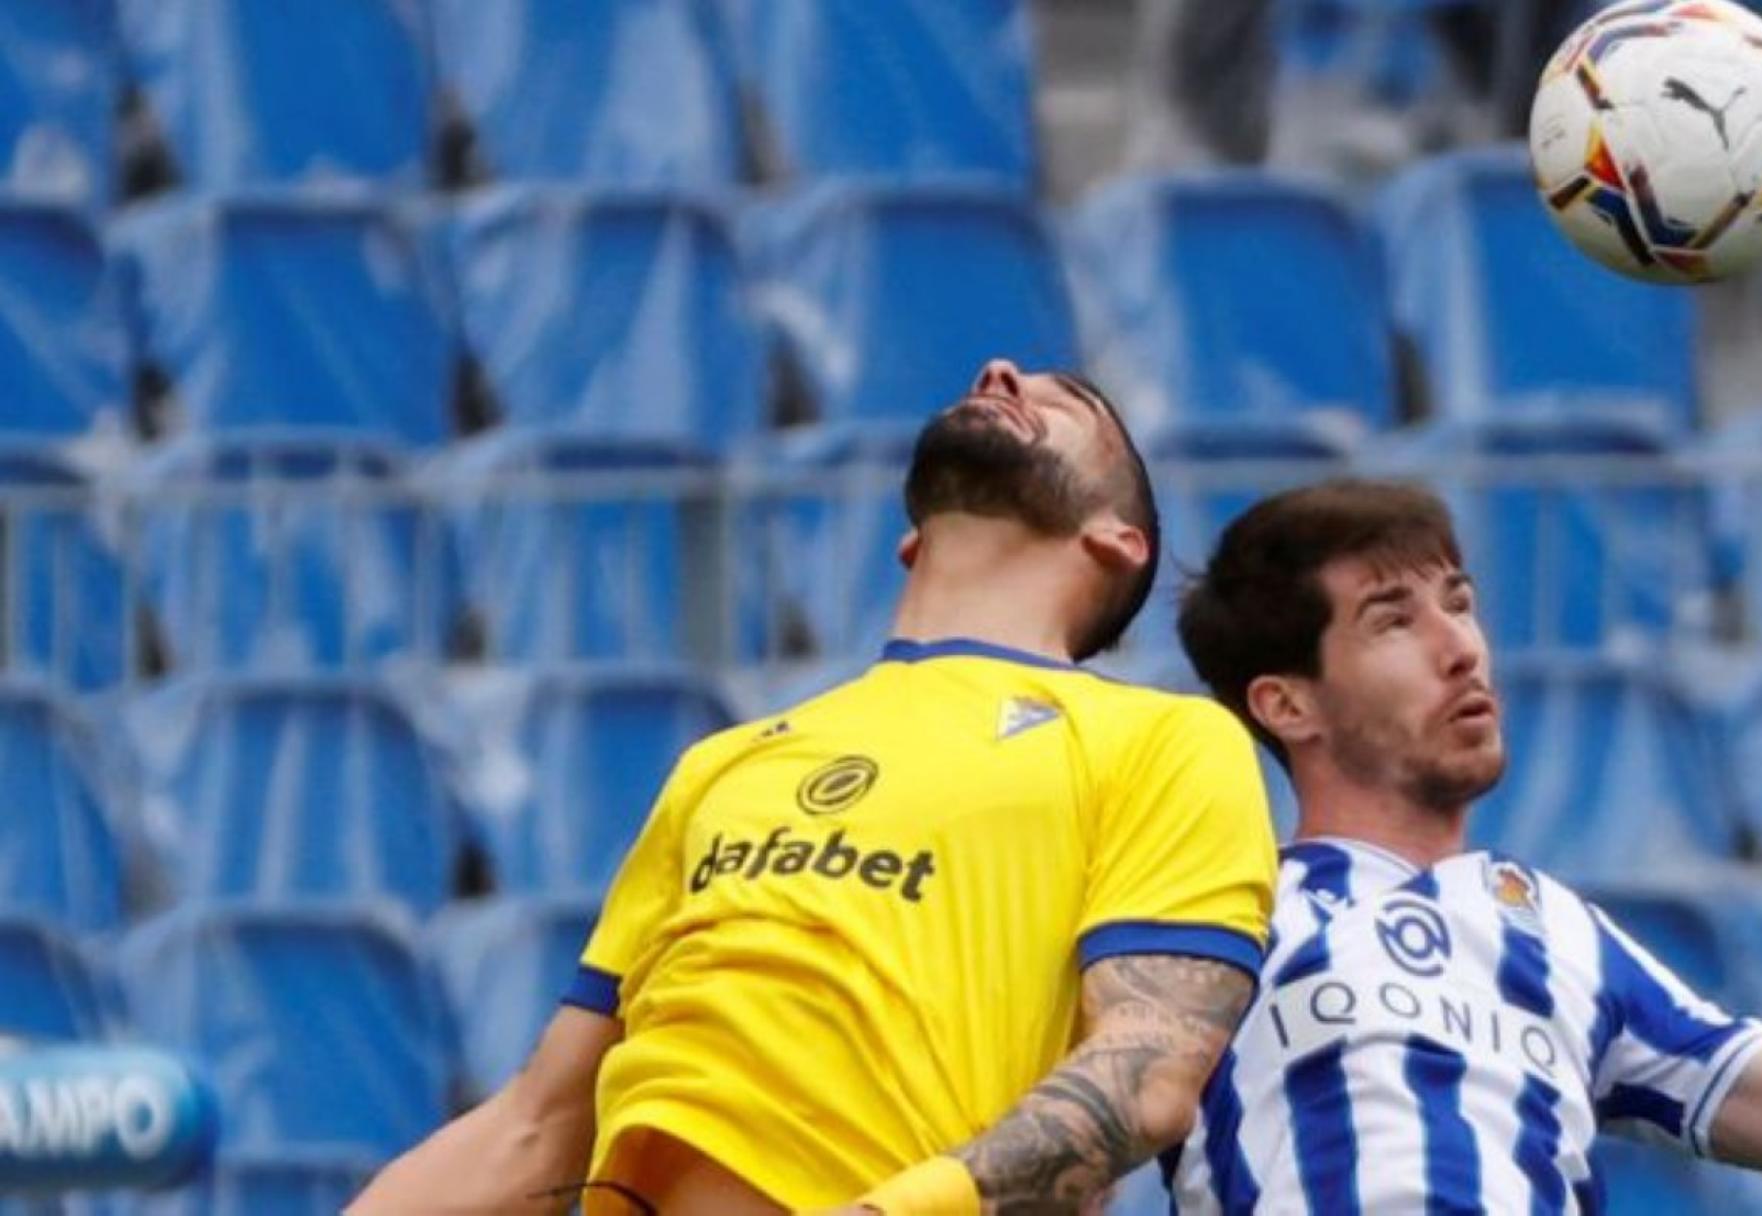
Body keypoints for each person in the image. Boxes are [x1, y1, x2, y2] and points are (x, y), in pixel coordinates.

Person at [348, 359, 1279, 1216]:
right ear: (909, 542)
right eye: (1004, 374)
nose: (1000, 372)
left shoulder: (1163, 740)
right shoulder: (725, 766)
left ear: (1119, 541)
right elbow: (537, 1125)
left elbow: (1147, 1073)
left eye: (1067, 400)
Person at [1167, 478, 1762, 1211]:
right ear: (1287, 704)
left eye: (1460, 602)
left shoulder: (1562, 933)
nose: (1462, 649)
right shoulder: (1212, 920)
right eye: (1393, 620)